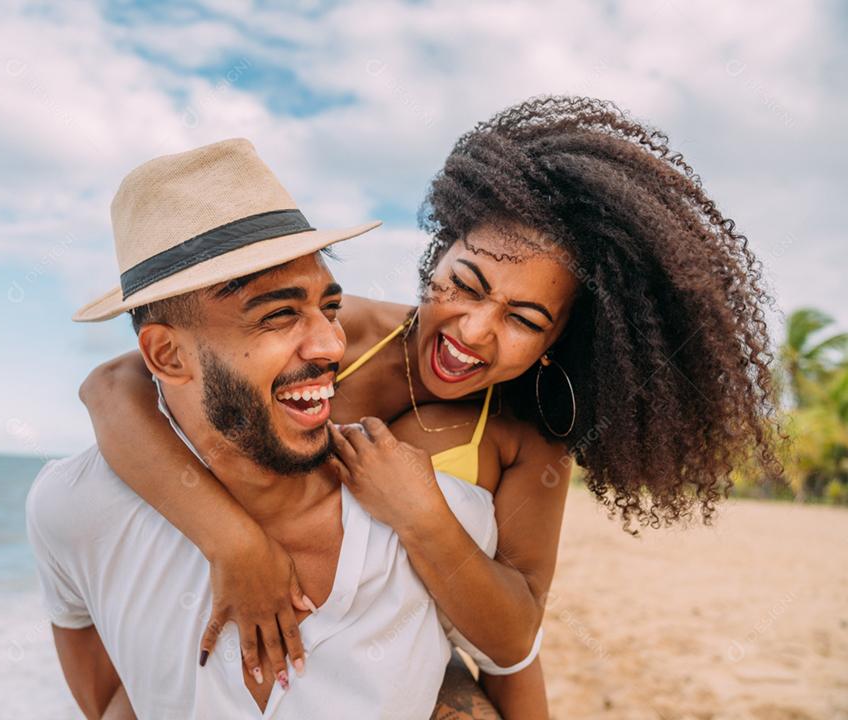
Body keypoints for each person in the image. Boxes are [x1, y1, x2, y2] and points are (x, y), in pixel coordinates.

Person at [79, 97, 783, 717]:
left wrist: (423, 516)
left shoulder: (528, 439)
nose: (473, 332)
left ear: (558, 341)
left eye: (525, 319)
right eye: (465, 284)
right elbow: (112, 387)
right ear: (437, 254)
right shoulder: (331, 332)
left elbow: (511, 641)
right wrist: (231, 543)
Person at [26, 138, 525, 719]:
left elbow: (507, 657)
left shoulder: (444, 517)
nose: (331, 344)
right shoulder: (73, 508)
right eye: (279, 314)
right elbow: (106, 692)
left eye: (329, 308)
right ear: (165, 355)